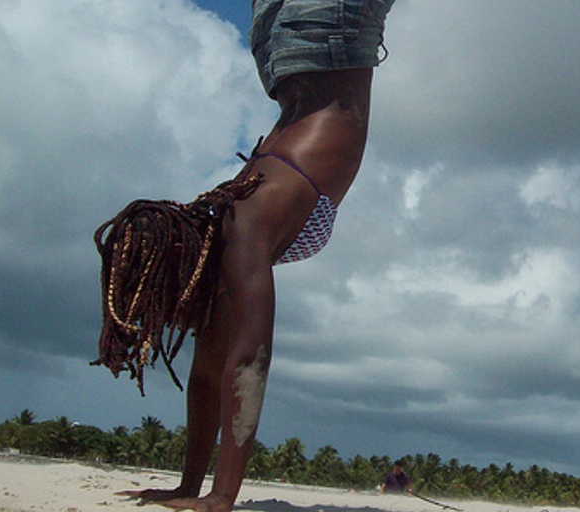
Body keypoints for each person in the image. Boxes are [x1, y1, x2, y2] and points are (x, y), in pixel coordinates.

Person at [111, 1, 396, 511]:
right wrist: (187, 488)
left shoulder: (241, 226)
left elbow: (248, 362)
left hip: (319, 35)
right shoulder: (225, 228)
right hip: (293, 45)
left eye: (162, 296)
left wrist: (222, 498)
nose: (174, 309)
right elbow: (205, 376)